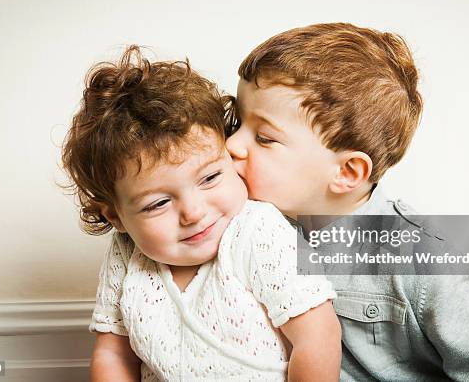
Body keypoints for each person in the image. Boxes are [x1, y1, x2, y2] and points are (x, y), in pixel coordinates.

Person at [226, 22, 469, 381]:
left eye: (265, 138)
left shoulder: (425, 263)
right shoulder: (248, 225)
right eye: (237, 123)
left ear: (348, 172)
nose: (232, 145)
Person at [61, 45, 341, 381]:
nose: (193, 213)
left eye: (209, 178)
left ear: (228, 154)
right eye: (157, 204)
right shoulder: (127, 253)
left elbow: (318, 338)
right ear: (117, 217)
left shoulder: (257, 232)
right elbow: (114, 355)